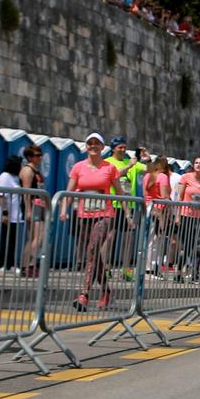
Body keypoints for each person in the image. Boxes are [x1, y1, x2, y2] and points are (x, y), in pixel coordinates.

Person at [64, 133, 122, 310]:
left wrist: (127, 213)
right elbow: (70, 190)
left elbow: (119, 192)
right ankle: (106, 290)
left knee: (92, 249)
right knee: (93, 255)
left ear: (103, 147)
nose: (93, 146)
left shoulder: (109, 168)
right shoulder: (78, 167)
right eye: (90, 143)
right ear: (86, 146)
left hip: (105, 214)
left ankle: (84, 294)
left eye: (97, 143)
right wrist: (63, 210)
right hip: (84, 215)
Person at [18, 145, 48, 275]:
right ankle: (29, 265)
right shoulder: (27, 171)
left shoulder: (36, 171)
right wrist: (29, 210)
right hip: (32, 205)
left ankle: (28, 265)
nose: (40, 157)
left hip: (40, 205)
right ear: (30, 157)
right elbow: (26, 192)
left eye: (41, 155)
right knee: (39, 236)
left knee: (35, 237)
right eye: (37, 155)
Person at [0, 155, 24, 273]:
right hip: (7, 214)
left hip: (15, 215)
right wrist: (4, 213)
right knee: (5, 239)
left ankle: (11, 264)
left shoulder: (15, 177)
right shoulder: (4, 177)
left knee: (12, 240)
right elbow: (1, 195)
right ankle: (2, 264)